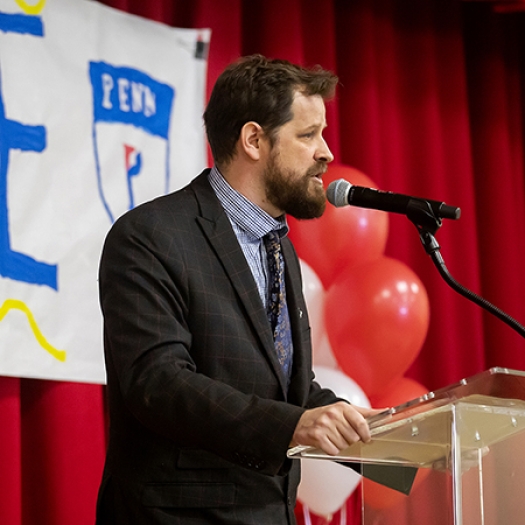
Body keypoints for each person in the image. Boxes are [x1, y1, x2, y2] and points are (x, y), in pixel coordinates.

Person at [96, 54, 377, 525]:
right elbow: (158, 382)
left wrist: (380, 428)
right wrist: (293, 425)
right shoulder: (149, 236)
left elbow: (282, 383)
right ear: (253, 140)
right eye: (308, 135)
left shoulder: (277, 246)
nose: (326, 152)